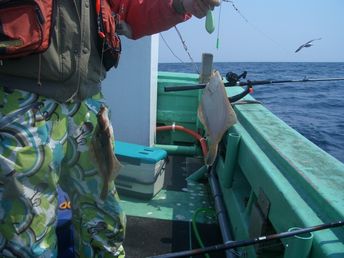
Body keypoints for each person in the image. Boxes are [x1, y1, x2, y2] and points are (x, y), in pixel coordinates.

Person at [0, 0, 219, 257]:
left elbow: (131, 8)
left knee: (105, 222)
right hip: (19, 99)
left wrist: (180, 4)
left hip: (88, 103)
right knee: (26, 233)